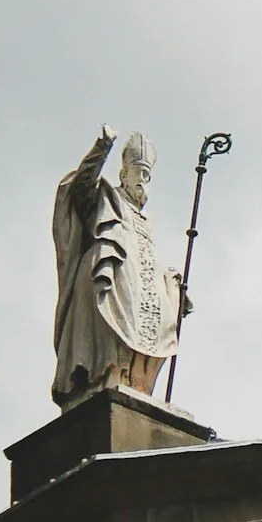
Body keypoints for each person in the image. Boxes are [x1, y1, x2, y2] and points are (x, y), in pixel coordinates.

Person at [52, 126, 185, 405]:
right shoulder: (106, 196)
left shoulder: (145, 219)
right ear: (124, 174)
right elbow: (81, 186)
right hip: (107, 276)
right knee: (109, 335)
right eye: (140, 173)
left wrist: (171, 283)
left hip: (139, 286)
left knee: (149, 326)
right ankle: (108, 378)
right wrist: (102, 148)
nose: (144, 180)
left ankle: (134, 383)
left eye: (148, 175)